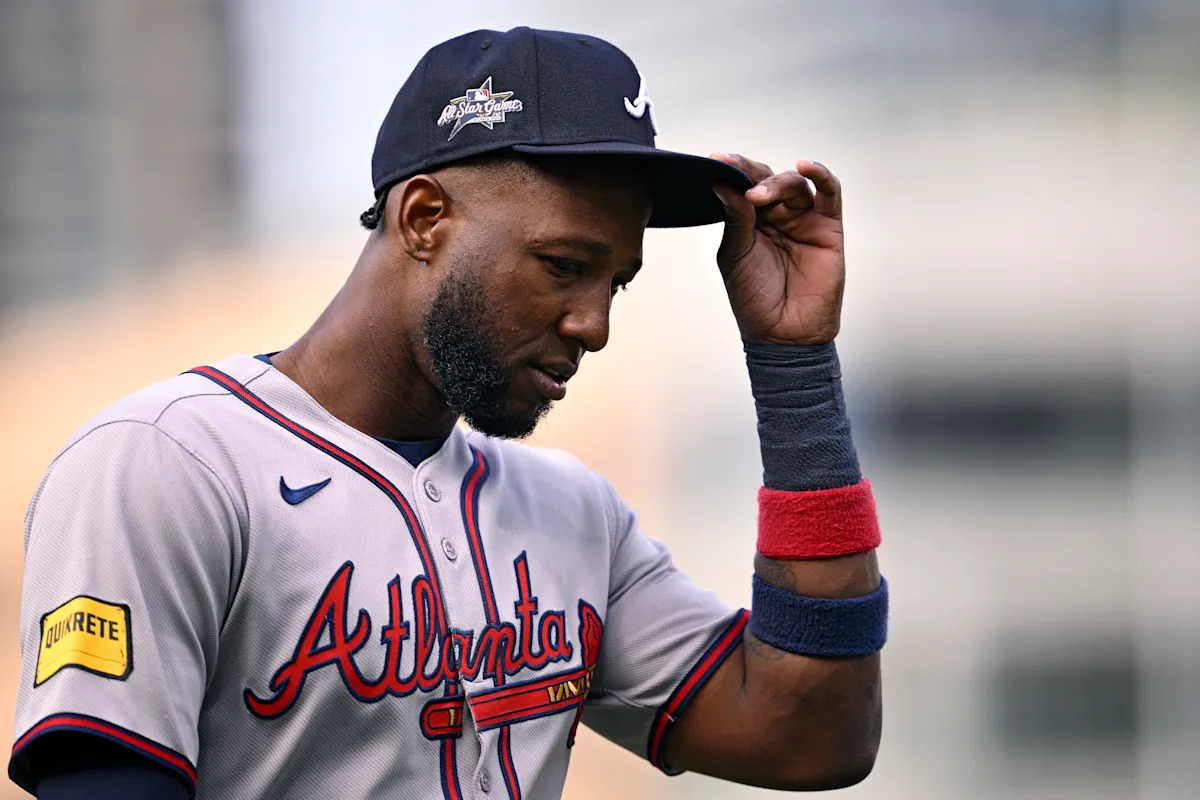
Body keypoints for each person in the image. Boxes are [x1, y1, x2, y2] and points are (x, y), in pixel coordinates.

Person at [9, 27, 885, 800]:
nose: (595, 325)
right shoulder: (167, 465)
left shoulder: (573, 513)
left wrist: (795, 368)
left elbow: (812, 736)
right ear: (425, 217)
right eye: (563, 266)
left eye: (615, 282)